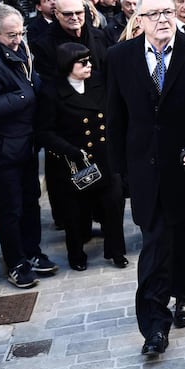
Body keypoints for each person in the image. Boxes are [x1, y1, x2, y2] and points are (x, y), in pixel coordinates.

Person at [107, 0, 185, 357]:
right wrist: (119, 172)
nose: (162, 18)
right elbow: (115, 117)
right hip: (146, 171)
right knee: (155, 247)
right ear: (139, 21)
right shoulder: (120, 58)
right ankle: (154, 327)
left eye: (167, 11)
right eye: (153, 14)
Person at [0, 3, 59, 288]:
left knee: (30, 201)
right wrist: (27, 96)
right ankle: (17, 262)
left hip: (24, 143)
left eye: (21, 32)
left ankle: (33, 252)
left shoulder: (15, 48)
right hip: (0, 150)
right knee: (10, 208)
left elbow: (27, 78)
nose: (18, 39)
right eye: (11, 35)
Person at [36, 43, 128, 271]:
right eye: (83, 62)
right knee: (75, 214)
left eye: (89, 60)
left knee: (113, 206)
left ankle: (116, 251)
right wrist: (71, 150)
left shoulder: (99, 81)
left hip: (105, 157)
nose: (89, 66)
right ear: (68, 66)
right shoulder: (52, 91)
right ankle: (76, 255)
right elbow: (44, 131)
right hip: (73, 163)